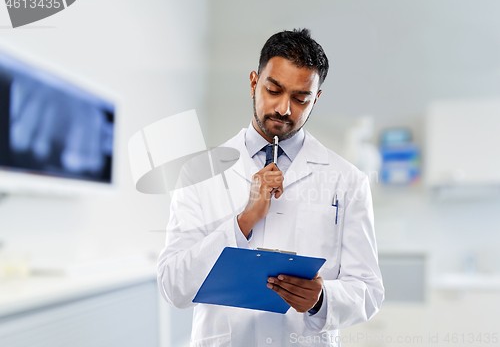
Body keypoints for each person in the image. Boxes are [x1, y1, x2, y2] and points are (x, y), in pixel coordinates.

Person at [157, 28, 384, 347]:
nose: (284, 109)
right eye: (274, 90)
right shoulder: (199, 173)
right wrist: (244, 221)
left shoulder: (347, 179)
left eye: (300, 98)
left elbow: (369, 291)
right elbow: (173, 286)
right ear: (254, 82)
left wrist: (320, 300)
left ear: (315, 98)